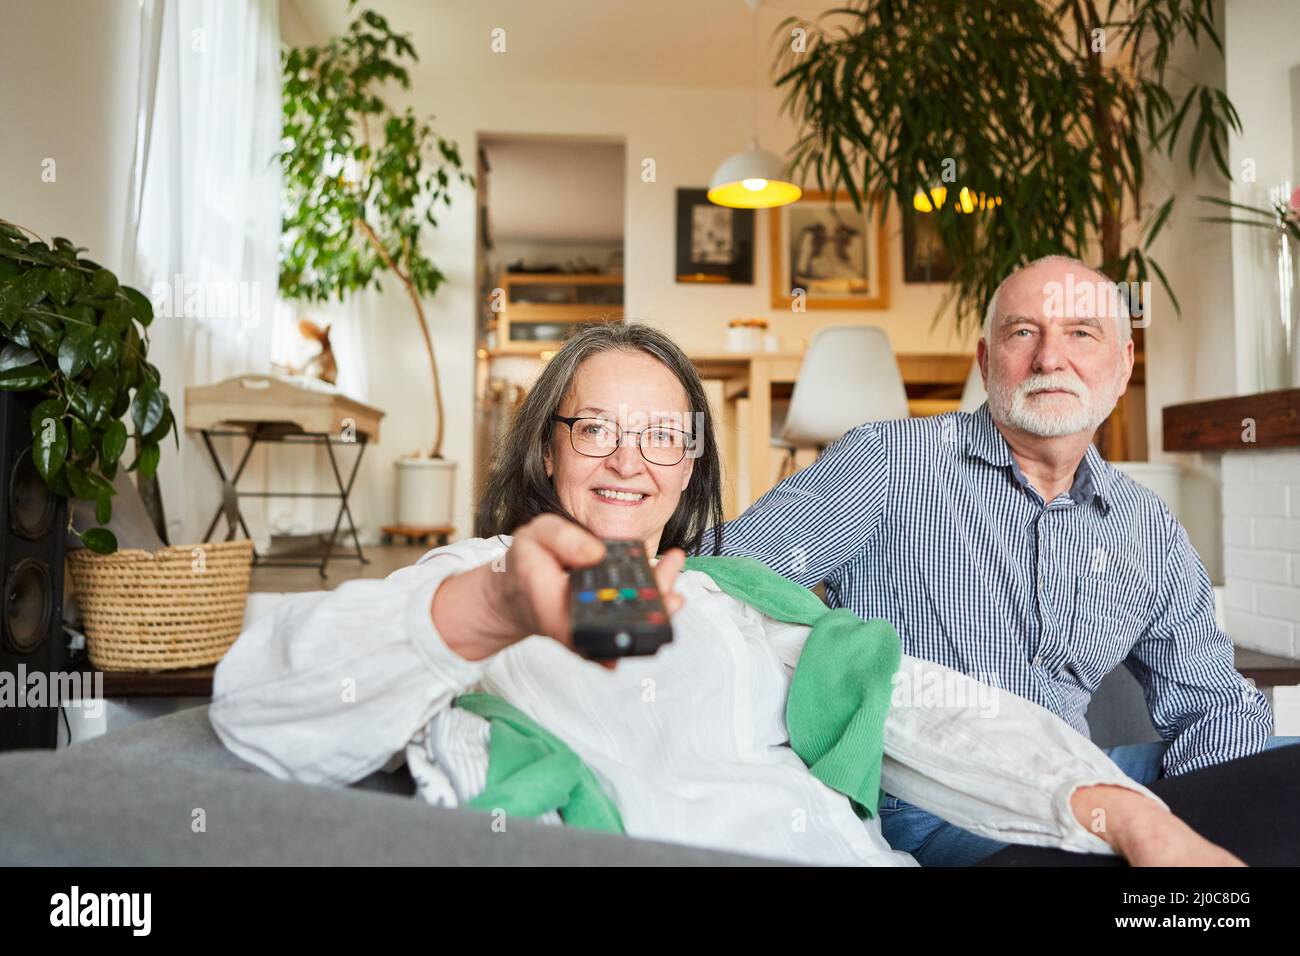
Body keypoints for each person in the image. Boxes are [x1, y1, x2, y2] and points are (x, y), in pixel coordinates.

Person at [210, 322, 1250, 867]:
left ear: (693, 462)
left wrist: (1120, 812)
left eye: (665, 432)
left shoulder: (733, 602)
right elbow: (259, 705)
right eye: (596, 428)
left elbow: (930, 710)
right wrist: (497, 608)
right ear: (544, 445)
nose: (632, 460)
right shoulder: (476, 582)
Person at [715, 254, 1298, 865]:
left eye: (1081, 333)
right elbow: (723, 576)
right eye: (1023, 333)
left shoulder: (1145, 525)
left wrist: (1227, 814)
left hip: (1089, 782)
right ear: (986, 361)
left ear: (1122, 366)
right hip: (943, 807)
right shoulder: (891, 464)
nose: (1050, 359)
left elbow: (1213, 701)